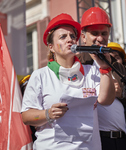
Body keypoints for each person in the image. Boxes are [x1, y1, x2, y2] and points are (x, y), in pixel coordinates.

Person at [21, 13, 115, 150]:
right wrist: (47, 114)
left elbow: (106, 100)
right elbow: (26, 116)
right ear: (51, 46)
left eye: (72, 36)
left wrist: (105, 68)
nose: (70, 40)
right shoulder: (40, 76)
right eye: (63, 37)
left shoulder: (92, 71)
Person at [77, 7, 126, 150]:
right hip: (93, 139)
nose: (100, 38)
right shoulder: (76, 63)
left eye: (104, 33)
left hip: (121, 139)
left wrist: (121, 94)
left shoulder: (117, 66)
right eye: (94, 34)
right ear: (83, 37)